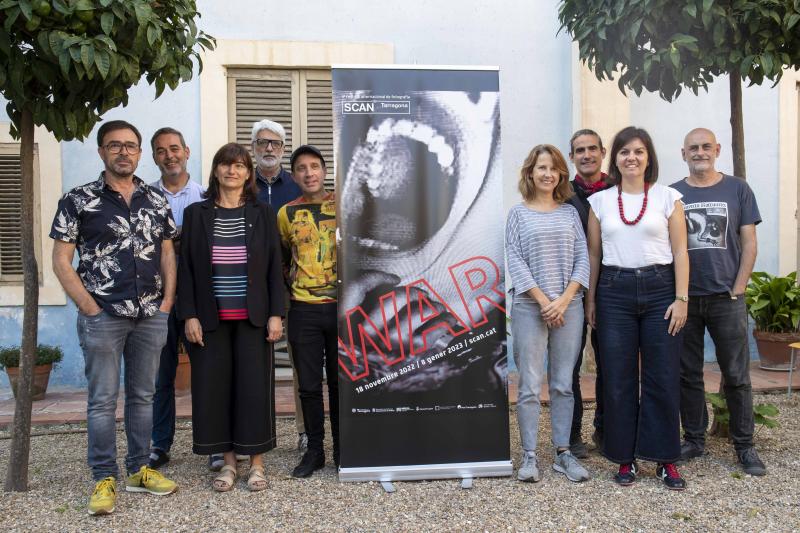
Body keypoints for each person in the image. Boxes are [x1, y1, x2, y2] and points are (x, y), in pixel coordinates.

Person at [50, 120, 178, 515]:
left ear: (140, 153)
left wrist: (167, 304)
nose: (124, 152)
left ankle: (139, 470)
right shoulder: (78, 200)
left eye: (130, 145)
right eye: (115, 145)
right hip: (103, 316)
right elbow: (61, 261)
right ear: (101, 151)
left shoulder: (156, 199)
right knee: (103, 400)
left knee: (143, 396)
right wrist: (89, 307)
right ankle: (103, 476)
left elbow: (167, 252)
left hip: (150, 314)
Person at [585, 126, 689, 490]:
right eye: (624, 151)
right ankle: (623, 457)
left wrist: (681, 298)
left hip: (661, 291)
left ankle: (665, 459)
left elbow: (681, 252)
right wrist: (591, 300)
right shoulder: (599, 202)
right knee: (618, 378)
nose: (631, 157)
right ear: (614, 158)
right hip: (614, 293)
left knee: (663, 375)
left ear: (649, 158)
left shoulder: (668, 197)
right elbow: (594, 255)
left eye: (638, 151)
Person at [177, 143, 284, 492]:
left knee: (253, 390)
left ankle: (256, 464)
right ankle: (228, 463)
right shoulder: (196, 214)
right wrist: (189, 315)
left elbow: (274, 268)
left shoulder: (263, 213)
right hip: (211, 319)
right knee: (216, 391)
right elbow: (186, 270)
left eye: (239, 165)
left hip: (254, 318)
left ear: (248, 173)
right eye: (225, 164)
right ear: (216, 170)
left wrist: (276, 314)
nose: (232, 171)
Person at [671, 127, 765, 476]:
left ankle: (745, 445)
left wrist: (738, 288)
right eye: (693, 148)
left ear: (717, 150)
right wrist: (677, 295)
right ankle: (694, 439)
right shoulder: (672, 193)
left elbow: (749, 242)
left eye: (706, 146)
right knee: (688, 374)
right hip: (687, 299)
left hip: (727, 298)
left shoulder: (738, 189)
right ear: (683, 153)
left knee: (737, 375)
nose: (700, 152)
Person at [506, 144, 591, 483]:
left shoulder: (570, 213)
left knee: (563, 384)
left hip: (569, 308)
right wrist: (544, 302)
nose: (548, 173)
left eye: (554, 168)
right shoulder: (517, 214)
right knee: (529, 384)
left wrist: (564, 299)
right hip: (530, 307)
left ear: (561, 175)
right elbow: (515, 260)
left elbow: (583, 259)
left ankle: (563, 453)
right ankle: (529, 455)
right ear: (530, 172)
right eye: (541, 167)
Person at [277, 145, 338, 478]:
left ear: (324, 171)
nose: (309, 173)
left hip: (342, 309)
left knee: (341, 383)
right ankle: (315, 450)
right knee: (310, 386)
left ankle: (344, 448)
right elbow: (282, 260)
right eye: (301, 168)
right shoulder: (286, 214)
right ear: (294, 175)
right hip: (303, 309)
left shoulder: (342, 205)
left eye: (315, 166)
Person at [147, 127, 205, 470]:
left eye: (174, 149)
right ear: (155, 157)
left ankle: (213, 443)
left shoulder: (205, 197)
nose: (169, 156)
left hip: (198, 297)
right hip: (156, 299)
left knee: (207, 373)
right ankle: (159, 444)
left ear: (186, 151)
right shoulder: (142, 198)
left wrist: (172, 241)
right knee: (160, 376)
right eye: (161, 150)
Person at [251, 119, 307, 452]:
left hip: (293, 285)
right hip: (253, 287)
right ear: (253, 148)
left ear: (284, 149)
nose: (269, 148)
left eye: (275, 143)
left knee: (302, 361)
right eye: (262, 142)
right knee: (253, 363)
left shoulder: (297, 185)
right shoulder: (243, 185)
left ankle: (304, 430)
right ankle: (255, 432)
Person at [566, 129, 612, 458]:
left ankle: (605, 430)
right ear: (572, 157)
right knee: (569, 364)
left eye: (592, 148)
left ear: (603, 152)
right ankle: (572, 435)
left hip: (611, 289)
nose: (586, 155)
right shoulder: (561, 193)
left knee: (610, 364)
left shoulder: (619, 189)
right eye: (580, 150)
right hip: (570, 289)